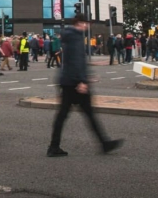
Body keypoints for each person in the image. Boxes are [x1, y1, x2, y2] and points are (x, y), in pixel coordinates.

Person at [47, 13, 123, 158]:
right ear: (80, 23)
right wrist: (81, 81)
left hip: (67, 81)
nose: (88, 26)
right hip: (74, 83)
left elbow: (72, 60)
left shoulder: (69, 35)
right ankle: (104, 143)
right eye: (87, 23)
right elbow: (76, 60)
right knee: (87, 114)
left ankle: (54, 146)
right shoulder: (75, 36)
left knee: (64, 115)